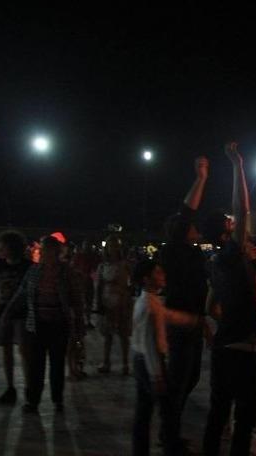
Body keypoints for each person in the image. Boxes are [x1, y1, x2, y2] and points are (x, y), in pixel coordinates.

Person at [203, 143, 256, 455]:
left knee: (223, 415)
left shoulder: (230, 264)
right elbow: (242, 209)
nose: (235, 223)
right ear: (225, 235)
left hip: (234, 347)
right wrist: (237, 165)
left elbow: (210, 307)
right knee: (236, 416)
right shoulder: (228, 256)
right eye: (229, 222)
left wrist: (232, 321)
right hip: (239, 351)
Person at [157, 155, 211, 445]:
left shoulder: (191, 252)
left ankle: (169, 424)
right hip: (179, 324)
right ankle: (169, 435)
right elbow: (187, 211)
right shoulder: (174, 250)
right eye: (188, 226)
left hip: (193, 322)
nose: (195, 226)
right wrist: (201, 178)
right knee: (180, 380)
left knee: (189, 379)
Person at [2, 235, 84, 413]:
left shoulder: (66, 272)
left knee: (57, 364)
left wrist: (79, 323)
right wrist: (8, 312)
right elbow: (22, 293)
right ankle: (33, 401)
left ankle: (57, 399)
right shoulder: (34, 271)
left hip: (58, 324)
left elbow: (77, 299)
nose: (43, 253)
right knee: (35, 365)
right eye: (42, 250)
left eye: (46, 250)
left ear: (55, 251)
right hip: (37, 324)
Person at [131, 259, 197, 456]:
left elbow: (165, 314)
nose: (163, 275)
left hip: (141, 361)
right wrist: (157, 375)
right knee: (168, 413)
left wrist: (185, 319)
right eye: (158, 272)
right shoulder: (150, 306)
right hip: (150, 363)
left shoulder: (147, 300)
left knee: (144, 412)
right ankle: (172, 448)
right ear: (147, 278)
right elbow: (150, 343)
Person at [0, 230, 32, 405]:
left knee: (25, 351)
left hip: (22, 314)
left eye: (1, 246)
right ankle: (10, 387)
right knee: (6, 351)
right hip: (2, 313)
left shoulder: (28, 266)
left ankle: (28, 388)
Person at [95, 235, 133, 375]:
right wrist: (98, 303)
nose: (113, 248)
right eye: (111, 246)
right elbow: (99, 286)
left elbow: (131, 284)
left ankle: (125, 363)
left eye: (115, 245)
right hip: (107, 301)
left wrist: (127, 300)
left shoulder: (125, 265)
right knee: (108, 335)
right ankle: (106, 362)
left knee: (123, 335)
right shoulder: (103, 266)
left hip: (122, 301)